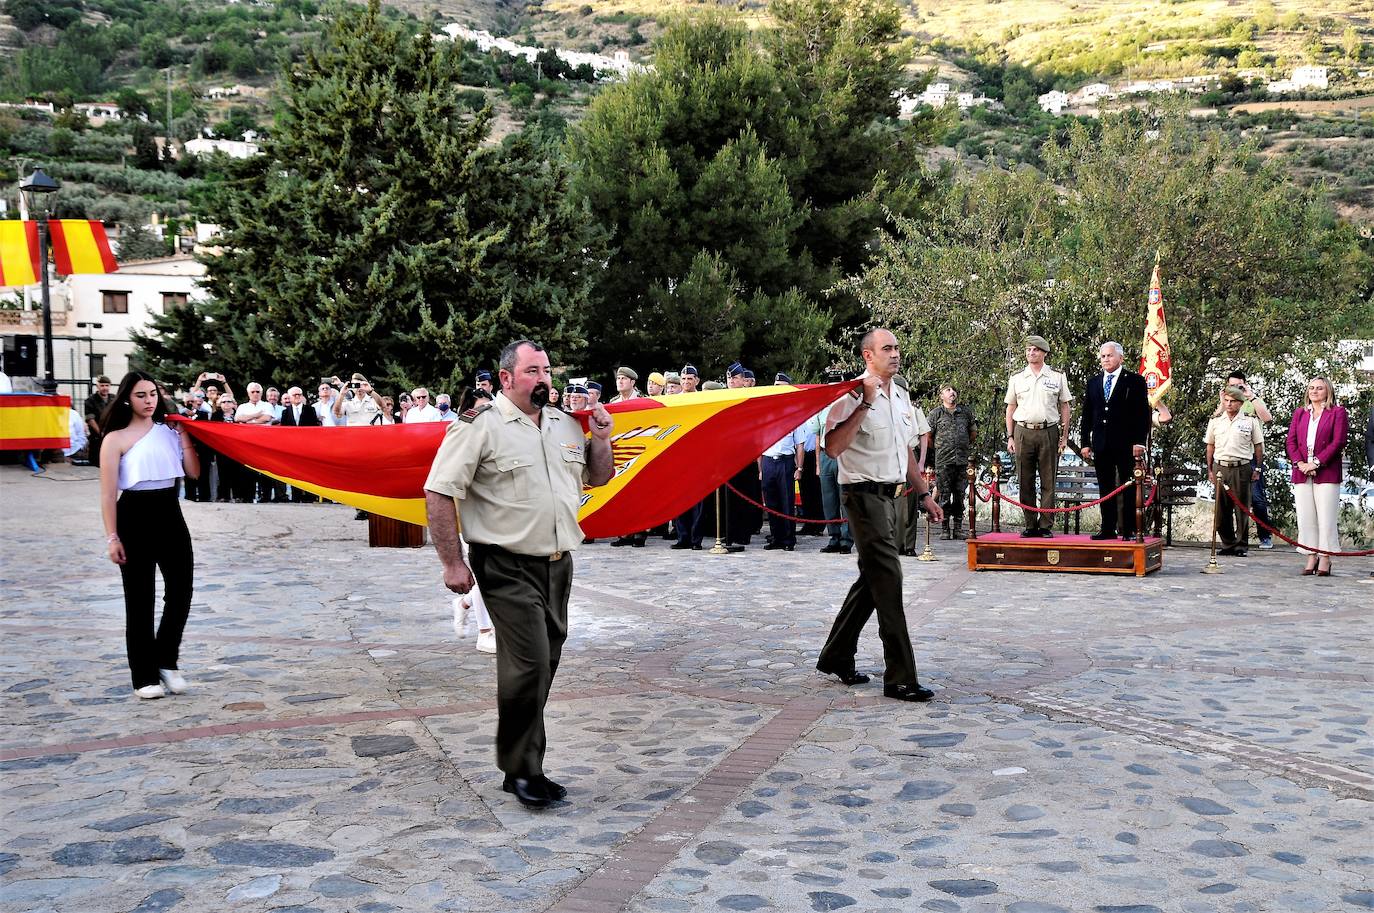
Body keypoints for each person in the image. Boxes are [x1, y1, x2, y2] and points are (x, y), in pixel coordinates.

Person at [425, 340, 614, 807]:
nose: (544, 380)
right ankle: (523, 768)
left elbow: (601, 477)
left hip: (557, 565)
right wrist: (452, 562)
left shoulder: (566, 425)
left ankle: (522, 764)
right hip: (505, 563)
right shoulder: (478, 427)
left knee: (543, 665)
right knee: (528, 664)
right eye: (532, 371)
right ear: (507, 379)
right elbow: (439, 491)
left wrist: (603, 437)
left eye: (547, 371)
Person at [816, 329, 943, 702]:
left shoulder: (900, 396)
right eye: (887, 348)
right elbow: (833, 448)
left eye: (897, 348)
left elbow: (904, 452)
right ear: (867, 355)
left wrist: (924, 495)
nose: (895, 354)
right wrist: (864, 404)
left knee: (872, 581)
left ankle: (837, 655)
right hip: (861, 495)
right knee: (889, 578)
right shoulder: (851, 394)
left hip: (891, 496)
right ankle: (900, 677)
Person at [98, 371, 201, 699]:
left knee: (181, 590)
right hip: (134, 516)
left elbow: (194, 472)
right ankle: (143, 674)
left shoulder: (168, 431)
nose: (149, 401)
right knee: (140, 599)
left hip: (170, 513)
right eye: (141, 395)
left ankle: (166, 660)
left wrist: (183, 433)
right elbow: (107, 494)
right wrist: (112, 537)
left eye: (152, 394)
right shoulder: (115, 438)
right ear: (127, 397)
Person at [1079, 342, 1151, 541]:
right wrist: (1085, 442)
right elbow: (1087, 414)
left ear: (1120, 358)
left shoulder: (1134, 381)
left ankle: (1128, 529)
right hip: (1102, 443)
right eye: (1102, 356)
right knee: (1105, 486)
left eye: (1109, 356)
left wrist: (1139, 441)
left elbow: (1142, 414)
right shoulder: (1094, 382)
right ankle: (1107, 528)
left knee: (1128, 486)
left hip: (1126, 443)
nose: (1105, 360)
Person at [1004, 335, 1072, 538]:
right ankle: (1030, 523)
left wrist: (1065, 436)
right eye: (1028, 350)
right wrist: (1009, 436)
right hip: (1023, 431)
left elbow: (1065, 406)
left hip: (1048, 430)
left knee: (1048, 480)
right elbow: (1010, 408)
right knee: (1025, 478)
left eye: (1035, 350)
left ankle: (1045, 525)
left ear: (1044, 353)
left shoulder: (1056, 376)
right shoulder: (1017, 378)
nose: (1031, 353)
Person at [1285, 377, 1348, 577]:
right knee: (1306, 517)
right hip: (1302, 471)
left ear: (1328, 391)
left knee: (1325, 517)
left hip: (1326, 471)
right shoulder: (1300, 413)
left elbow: (1338, 441)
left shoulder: (1337, 412)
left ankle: (1325, 557)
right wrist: (1300, 464)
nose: (1314, 391)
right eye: (1311, 388)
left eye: (1319, 388)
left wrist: (1317, 463)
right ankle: (1310, 555)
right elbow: (1291, 442)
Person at [1215, 371, 1276, 548]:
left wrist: (1251, 396)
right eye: (1231, 386)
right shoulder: (1225, 403)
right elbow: (1215, 421)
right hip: (1228, 458)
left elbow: (1267, 418)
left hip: (1249, 459)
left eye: (1239, 386)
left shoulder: (1252, 401)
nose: (1235, 389)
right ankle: (1230, 541)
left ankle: (1264, 536)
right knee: (1226, 503)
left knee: (1256, 498)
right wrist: (1221, 402)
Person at [1205, 386, 1264, 557]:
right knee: (1221, 510)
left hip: (1242, 467)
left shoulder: (1249, 421)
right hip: (1220, 467)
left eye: (1233, 401)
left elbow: (1258, 446)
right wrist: (1209, 469)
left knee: (1241, 508)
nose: (1229, 404)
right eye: (1226, 401)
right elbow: (1210, 446)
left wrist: (1258, 468)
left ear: (1240, 403)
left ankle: (1240, 545)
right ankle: (1228, 543)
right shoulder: (1215, 421)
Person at [927, 384, 976, 540]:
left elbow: (973, 433)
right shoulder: (936, 414)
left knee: (960, 495)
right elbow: (928, 436)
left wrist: (963, 445)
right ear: (941, 396)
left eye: (954, 390)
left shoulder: (965, 413)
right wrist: (939, 448)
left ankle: (958, 528)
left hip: (961, 460)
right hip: (943, 460)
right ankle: (945, 528)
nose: (952, 393)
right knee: (945, 495)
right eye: (948, 390)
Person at [759, 422, 807, 551]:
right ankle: (776, 537)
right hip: (768, 461)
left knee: (786, 501)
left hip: (785, 461)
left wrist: (800, 468)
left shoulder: (794, 419)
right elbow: (760, 446)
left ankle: (788, 539)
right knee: (771, 502)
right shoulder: (765, 421)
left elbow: (800, 445)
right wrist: (761, 470)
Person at [83, 376, 115, 466]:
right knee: (98, 462)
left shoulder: (114, 399)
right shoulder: (90, 401)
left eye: (107, 385)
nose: (105, 388)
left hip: (112, 434)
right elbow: (90, 419)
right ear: (97, 386)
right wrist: (101, 432)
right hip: (97, 437)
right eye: (102, 385)